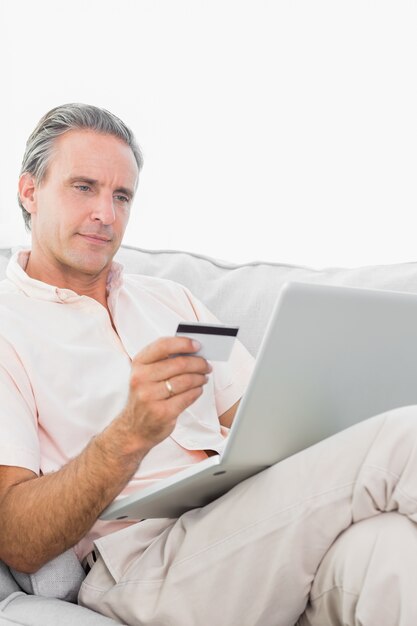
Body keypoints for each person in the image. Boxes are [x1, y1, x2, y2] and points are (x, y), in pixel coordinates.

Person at [1, 103, 417, 626]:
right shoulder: (7, 327)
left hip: (244, 528)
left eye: (121, 195)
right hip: (141, 566)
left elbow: (259, 420)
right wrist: (131, 432)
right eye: (84, 187)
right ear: (29, 192)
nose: (106, 213)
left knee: (392, 553)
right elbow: (17, 538)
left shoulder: (173, 301)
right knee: (403, 436)